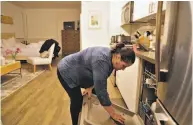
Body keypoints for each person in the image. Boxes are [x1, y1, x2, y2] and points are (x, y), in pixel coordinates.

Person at [57, 43, 136, 125]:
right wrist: (113, 114)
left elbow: (100, 78)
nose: (123, 69)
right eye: (123, 66)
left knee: (94, 94)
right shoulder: (102, 60)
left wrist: (90, 87)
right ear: (118, 57)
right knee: (77, 100)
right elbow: (101, 91)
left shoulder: (111, 57)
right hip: (66, 70)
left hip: (79, 70)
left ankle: (91, 118)